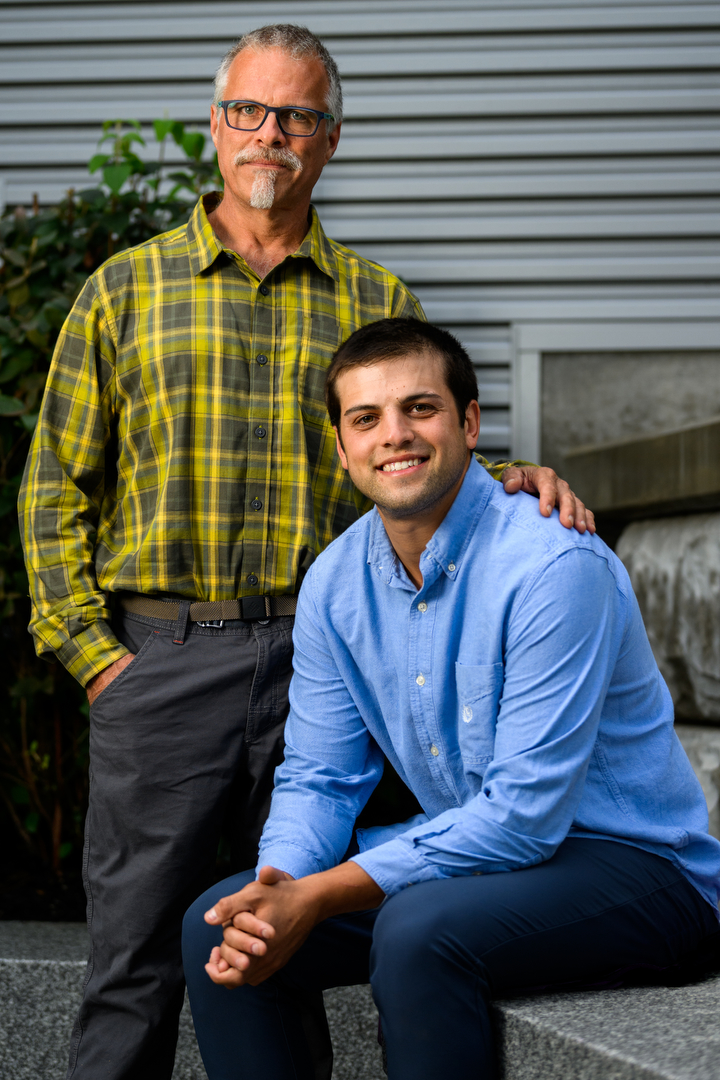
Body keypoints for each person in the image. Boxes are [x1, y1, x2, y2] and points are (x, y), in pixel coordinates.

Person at [19, 25, 592, 1080]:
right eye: (249, 110)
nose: (269, 134)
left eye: (297, 116)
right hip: (161, 664)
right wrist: (97, 660)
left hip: (337, 670)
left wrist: (520, 479)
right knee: (134, 958)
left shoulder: (376, 301)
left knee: (307, 935)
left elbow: (422, 450)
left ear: (329, 140)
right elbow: (53, 487)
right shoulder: (122, 292)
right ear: (215, 125)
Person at [183, 318, 720, 1080]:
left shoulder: (553, 565)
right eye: (365, 419)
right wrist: (283, 886)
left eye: (420, 408)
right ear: (342, 449)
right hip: (483, 863)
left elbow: (524, 818)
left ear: (469, 423)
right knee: (222, 923)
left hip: (638, 870)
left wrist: (321, 896)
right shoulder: (336, 584)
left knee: (417, 930)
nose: (394, 435)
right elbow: (320, 778)